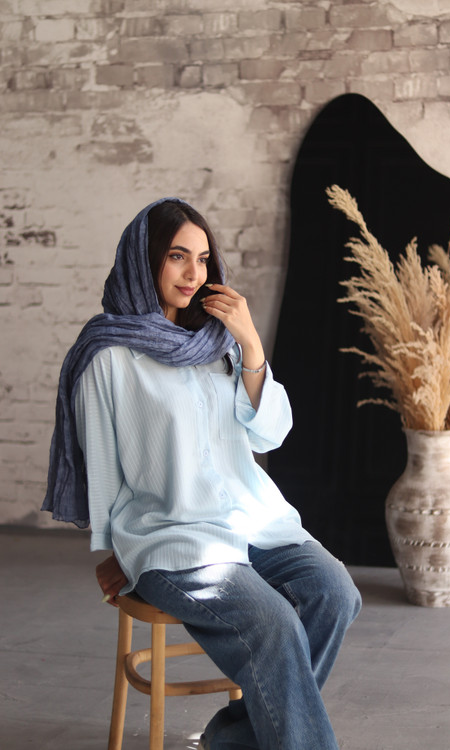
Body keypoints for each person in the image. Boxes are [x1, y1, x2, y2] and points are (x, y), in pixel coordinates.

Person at [43, 197, 361, 750]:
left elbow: (270, 434)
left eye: (203, 258)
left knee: (334, 593)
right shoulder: (107, 355)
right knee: (274, 624)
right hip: (173, 538)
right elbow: (103, 464)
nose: (194, 272)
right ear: (145, 260)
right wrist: (117, 551)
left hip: (254, 522)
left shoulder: (218, 341)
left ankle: (233, 740)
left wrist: (251, 343)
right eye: (177, 256)